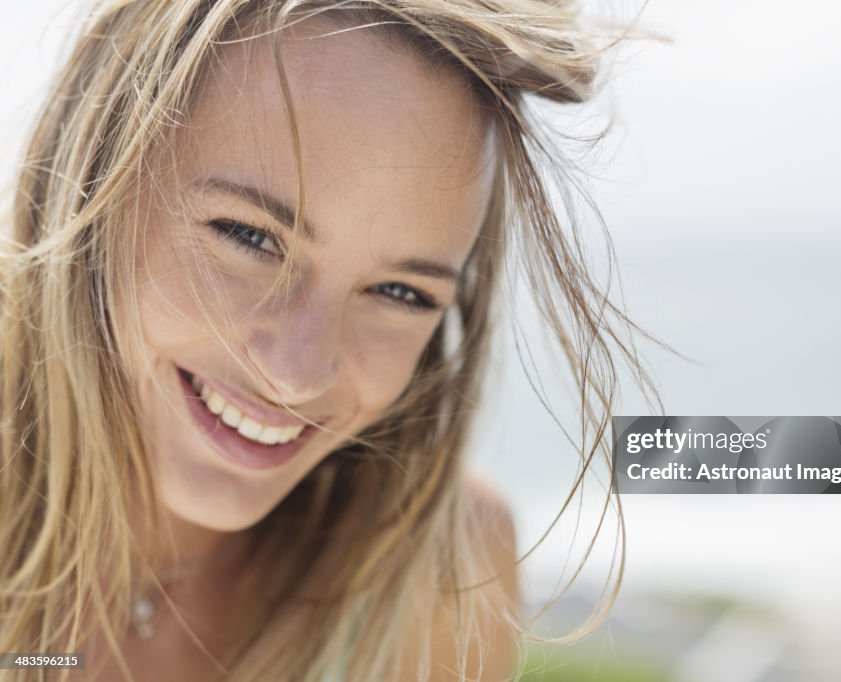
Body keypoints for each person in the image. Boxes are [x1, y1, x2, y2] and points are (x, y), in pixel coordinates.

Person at [0, 0, 646, 680]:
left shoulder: (443, 571)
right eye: (250, 236)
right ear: (95, 173)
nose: (298, 374)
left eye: (402, 293)